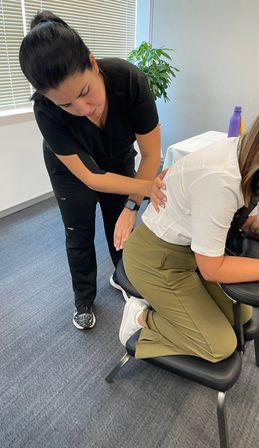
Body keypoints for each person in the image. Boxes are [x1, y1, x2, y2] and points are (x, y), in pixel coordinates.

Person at [118, 87, 259, 362]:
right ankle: (139, 317)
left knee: (241, 317)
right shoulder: (222, 177)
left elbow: (246, 221)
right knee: (219, 346)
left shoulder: (249, 157)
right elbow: (212, 268)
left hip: (191, 254)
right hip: (155, 260)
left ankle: (171, 311)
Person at [19, 11, 166, 330]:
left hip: (118, 157)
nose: (83, 110)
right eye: (67, 105)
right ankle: (83, 297)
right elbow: (90, 177)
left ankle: (124, 279)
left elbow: (152, 153)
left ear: (92, 62)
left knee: (121, 224)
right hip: (72, 171)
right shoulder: (46, 110)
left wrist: (131, 205)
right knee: (79, 231)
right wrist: (142, 190)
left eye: (85, 92)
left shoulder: (129, 81)